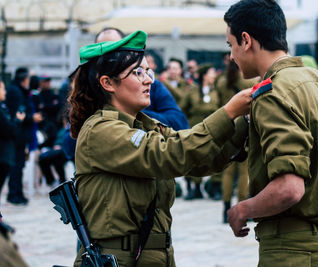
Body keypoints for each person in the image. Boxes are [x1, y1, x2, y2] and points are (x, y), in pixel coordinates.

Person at [69, 30, 252, 266]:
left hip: (156, 256)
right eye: (137, 72)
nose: (149, 80)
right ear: (107, 83)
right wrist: (228, 112)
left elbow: (198, 159)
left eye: (148, 71)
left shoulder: (146, 125)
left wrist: (242, 125)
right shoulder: (100, 130)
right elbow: (171, 155)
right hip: (119, 259)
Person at [223, 1, 318, 266]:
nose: (231, 56)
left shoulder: (272, 93)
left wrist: (242, 209)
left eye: (230, 44)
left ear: (245, 40)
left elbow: (289, 189)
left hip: (289, 252)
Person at [96, 27, 189, 131]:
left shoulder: (154, 86)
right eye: (104, 50)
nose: (148, 80)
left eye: (117, 48)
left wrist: (136, 115)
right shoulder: (86, 93)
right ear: (107, 83)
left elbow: (179, 122)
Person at [216, 60, 257, 222]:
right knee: (244, 171)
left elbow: (218, 104)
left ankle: (225, 207)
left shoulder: (221, 81)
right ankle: (242, 208)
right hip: (243, 127)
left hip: (226, 125)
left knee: (227, 171)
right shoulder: (250, 81)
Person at [180, 63, 220, 200]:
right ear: (204, 75)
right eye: (211, 73)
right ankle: (195, 187)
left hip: (214, 128)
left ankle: (215, 187)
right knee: (194, 157)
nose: (214, 75)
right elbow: (182, 108)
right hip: (195, 127)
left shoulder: (217, 90)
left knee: (215, 156)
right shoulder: (193, 91)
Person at [5, 67, 43, 205]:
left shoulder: (19, 91)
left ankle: (18, 193)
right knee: (16, 166)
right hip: (17, 137)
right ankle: (14, 194)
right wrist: (31, 117)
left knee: (19, 166)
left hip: (20, 135)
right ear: (25, 79)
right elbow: (18, 114)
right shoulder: (15, 92)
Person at [0, 81, 25, 204]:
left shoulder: (3, 108)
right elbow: (8, 129)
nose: (5, 92)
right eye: (2, 89)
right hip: (3, 155)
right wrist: (18, 121)